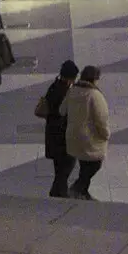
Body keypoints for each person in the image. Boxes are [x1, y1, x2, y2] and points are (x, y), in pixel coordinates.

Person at [64, 65, 109, 200]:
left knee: (84, 165)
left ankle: (83, 191)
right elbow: (101, 118)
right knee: (95, 164)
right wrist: (106, 134)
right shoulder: (94, 95)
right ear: (94, 79)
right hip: (89, 138)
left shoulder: (71, 91)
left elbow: (62, 110)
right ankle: (77, 188)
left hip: (73, 136)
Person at [41, 59, 78, 197]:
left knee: (59, 170)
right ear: (70, 78)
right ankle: (60, 196)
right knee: (65, 170)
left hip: (52, 135)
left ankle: (57, 194)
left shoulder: (53, 86)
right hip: (63, 138)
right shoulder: (66, 92)